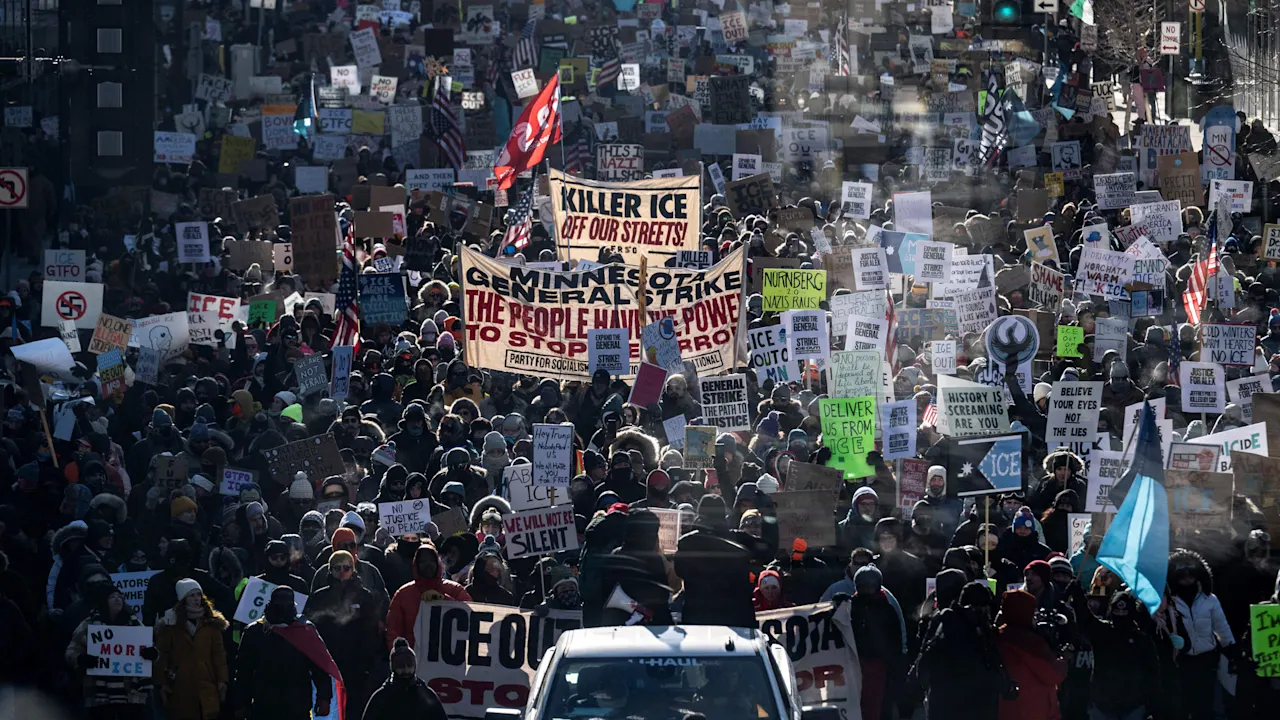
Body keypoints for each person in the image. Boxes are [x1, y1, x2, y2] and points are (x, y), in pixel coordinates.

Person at [235, 586, 340, 720]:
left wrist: (324, 697)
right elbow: (244, 671)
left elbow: (319, 666)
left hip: (296, 705)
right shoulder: (255, 632)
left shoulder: (304, 631)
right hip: (265, 705)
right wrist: (241, 703)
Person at [308, 551, 383, 720]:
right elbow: (312, 630)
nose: (342, 572)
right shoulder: (320, 596)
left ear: (353, 569)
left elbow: (371, 632)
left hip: (357, 665)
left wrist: (367, 663)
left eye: (346, 568)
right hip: (327, 665)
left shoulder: (364, 596)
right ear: (330, 570)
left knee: (355, 710)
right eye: (337, 568)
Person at [66, 579, 156, 720]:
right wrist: (81, 659)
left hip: (131, 695)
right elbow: (71, 651)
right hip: (100, 695)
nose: (118, 599)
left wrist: (151, 653)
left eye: (120, 596)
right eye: (112, 596)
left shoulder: (135, 624)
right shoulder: (89, 625)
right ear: (104, 601)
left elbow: (152, 650)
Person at [153, 579, 229, 720]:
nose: (196, 599)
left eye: (198, 595)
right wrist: (161, 682)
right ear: (183, 599)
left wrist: (222, 680)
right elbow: (161, 655)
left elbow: (219, 654)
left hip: (207, 683)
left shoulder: (211, 622)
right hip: (180, 684)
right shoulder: (170, 624)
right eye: (191, 595)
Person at [994, 590, 1067, 720]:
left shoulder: (997, 637)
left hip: (1006, 709)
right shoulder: (1031, 643)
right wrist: (1062, 660)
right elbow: (1053, 674)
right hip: (1034, 710)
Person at [385, 543, 471, 649]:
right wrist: (400, 655)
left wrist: (443, 599)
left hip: (449, 660)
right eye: (423, 561)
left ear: (438, 563)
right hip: (414, 660)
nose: (428, 564)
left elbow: (470, 616)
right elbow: (393, 631)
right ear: (416, 565)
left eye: (431, 561)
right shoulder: (403, 594)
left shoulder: (455, 589)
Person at [361, 638, 449, 720]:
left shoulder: (426, 695)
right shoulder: (382, 697)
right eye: (401, 667)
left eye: (409, 666)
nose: (406, 670)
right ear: (393, 668)